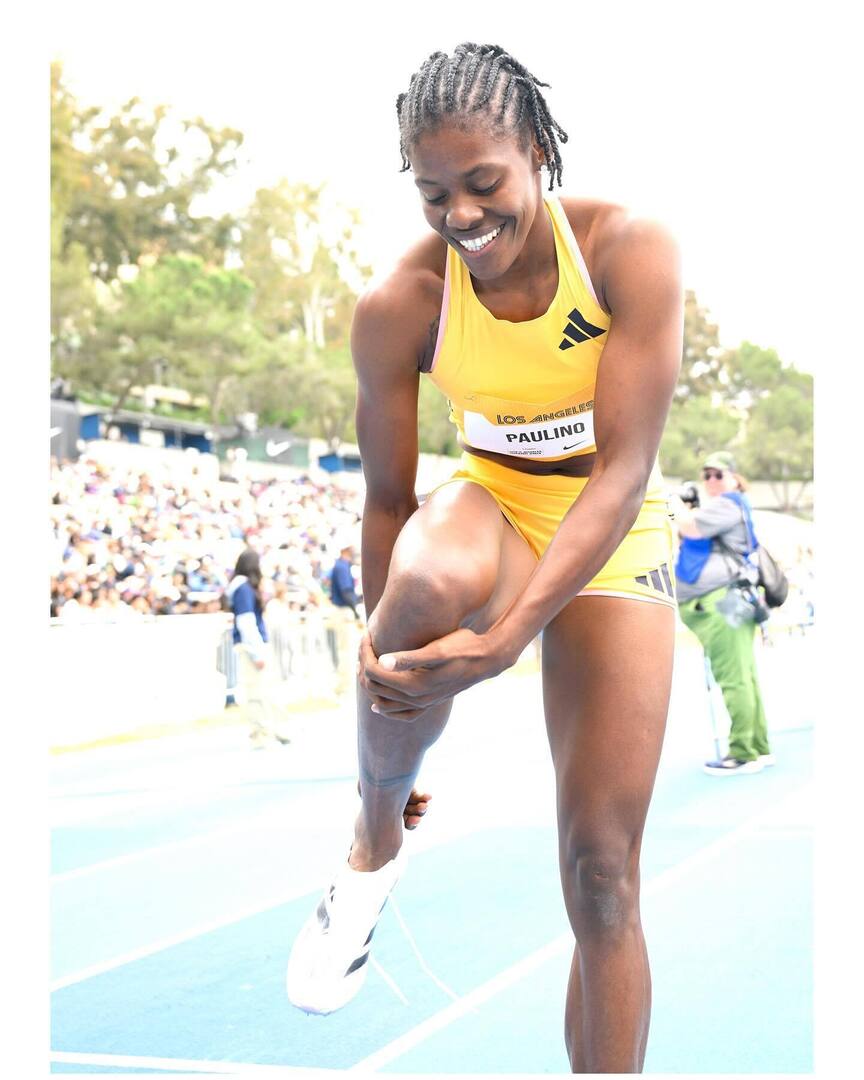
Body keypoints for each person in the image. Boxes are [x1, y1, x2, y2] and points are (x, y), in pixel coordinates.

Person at [286, 43, 682, 1073]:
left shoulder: (628, 251)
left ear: (540, 153)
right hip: (491, 504)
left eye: (484, 183)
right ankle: (374, 842)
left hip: (610, 526)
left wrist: (508, 640)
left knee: (602, 875)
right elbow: (385, 501)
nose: (461, 215)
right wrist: (392, 673)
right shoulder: (400, 305)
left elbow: (622, 474)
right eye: (434, 194)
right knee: (414, 587)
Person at [673, 451, 773, 775]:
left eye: (718, 474)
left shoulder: (728, 504)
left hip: (721, 601)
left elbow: (690, 528)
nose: (711, 480)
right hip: (730, 599)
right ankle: (757, 747)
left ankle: (742, 752)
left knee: (734, 678)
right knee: (743, 675)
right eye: (707, 475)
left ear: (733, 477)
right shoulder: (729, 506)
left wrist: (675, 504)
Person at [224, 548, 289, 749]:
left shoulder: (240, 587)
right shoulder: (243, 588)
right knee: (256, 691)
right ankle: (260, 734)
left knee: (265, 690)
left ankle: (274, 729)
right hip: (252, 646)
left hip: (254, 645)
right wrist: (257, 652)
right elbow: (246, 622)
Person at [328, 544, 363, 695]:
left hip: (343, 610)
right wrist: (356, 612)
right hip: (343, 611)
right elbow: (346, 592)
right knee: (346, 650)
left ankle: (345, 686)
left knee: (347, 649)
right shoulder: (341, 566)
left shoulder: (343, 565)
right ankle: (344, 687)